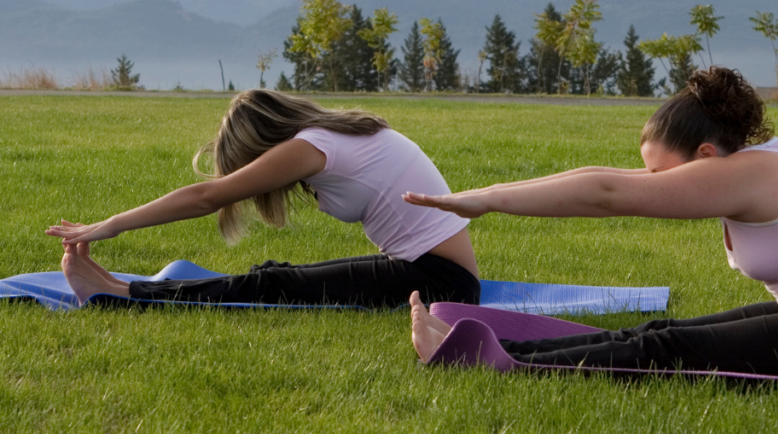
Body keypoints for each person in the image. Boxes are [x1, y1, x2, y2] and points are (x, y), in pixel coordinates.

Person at [405, 67, 778, 376]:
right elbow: (602, 175)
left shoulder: (751, 173)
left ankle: (484, 361)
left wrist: (488, 201)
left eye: (659, 173)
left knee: (667, 351)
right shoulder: (745, 165)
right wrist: (478, 196)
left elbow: (606, 194)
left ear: (705, 152)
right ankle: (494, 352)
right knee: (660, 330)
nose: (649, 181)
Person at [46, 88, 479, 309]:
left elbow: (206, 197)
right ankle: (122, 289)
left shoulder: (311, 146)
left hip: (440, 284)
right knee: (273, 277)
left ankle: (127, 295)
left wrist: (113, 224)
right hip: (428, 272)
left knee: (271, 285)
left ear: (263, 144)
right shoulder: (331, 135)